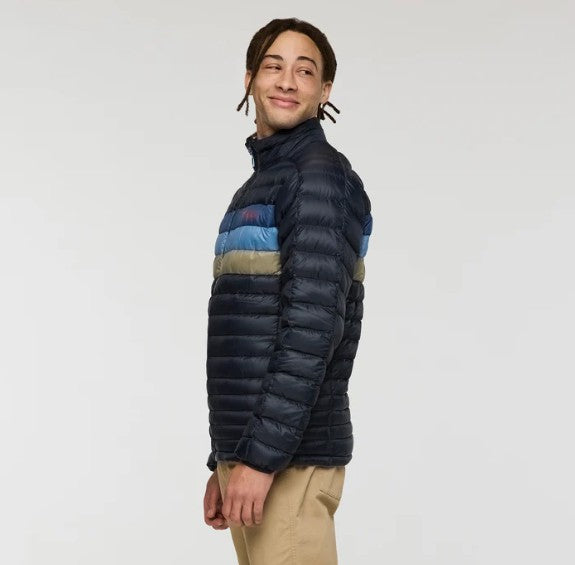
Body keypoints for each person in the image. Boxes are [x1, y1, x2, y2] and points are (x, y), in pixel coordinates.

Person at [202, 17, 373, 564]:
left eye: (305, 71)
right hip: (258, 455)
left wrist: (260, 459)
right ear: (249, 79)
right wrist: (225, 459)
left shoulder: (316, 177)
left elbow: (311, 330)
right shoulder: (264, 183)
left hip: (287, 463)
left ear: (325, 91)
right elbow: (247, 337)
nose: (286, 81)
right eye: (274, 66)